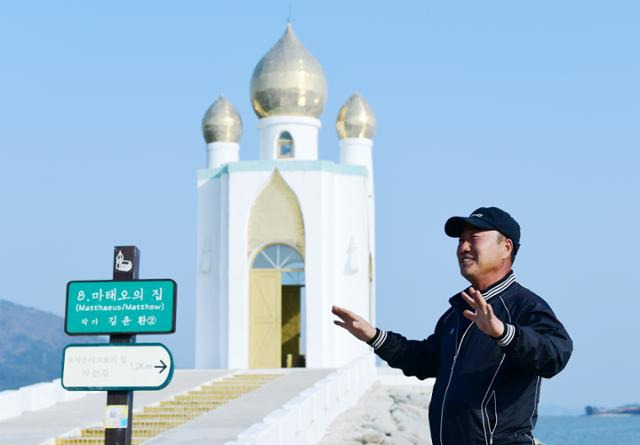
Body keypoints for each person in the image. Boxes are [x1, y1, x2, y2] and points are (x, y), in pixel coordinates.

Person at [332, 207, 572, 445]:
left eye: (474, 238)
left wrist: (503, 333)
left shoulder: (525, 306)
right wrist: (374, 336)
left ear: (506, 248)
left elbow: (555, 354)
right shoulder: (455, 314)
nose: (463, 247)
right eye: (460, 240)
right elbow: (424, 360)